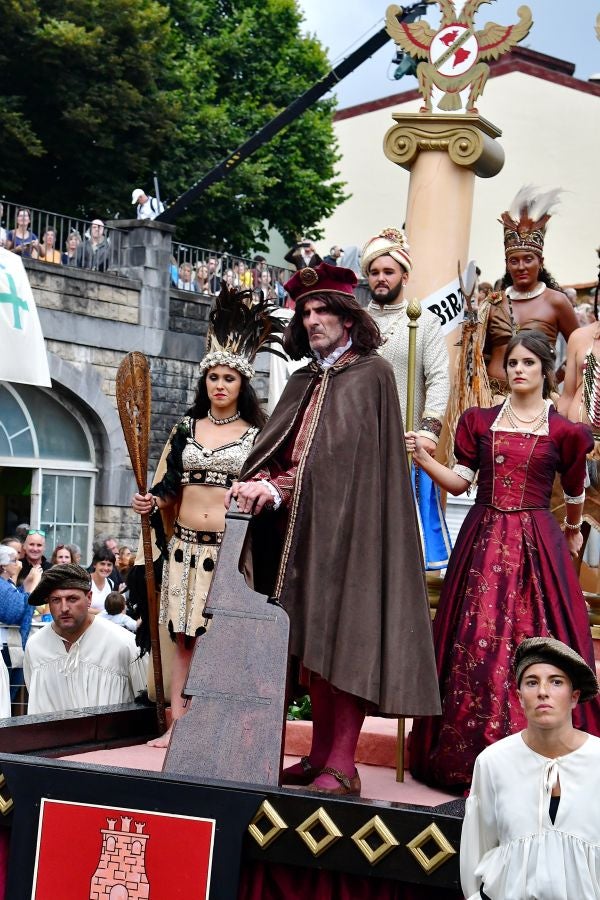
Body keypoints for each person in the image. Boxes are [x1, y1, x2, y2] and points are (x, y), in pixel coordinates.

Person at [229, 262, 440, 796]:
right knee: (306, 642)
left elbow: (346, 461)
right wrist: (262, 481)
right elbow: (282, 449)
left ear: (348, 318)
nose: (312, 320)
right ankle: (319, 755)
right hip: (297, 535)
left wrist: (280, 486)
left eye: (323, 310)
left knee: (345, 638)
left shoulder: (373, 375)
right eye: (305, 312)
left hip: (352, 535)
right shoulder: (303, 379)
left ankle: (343, 765)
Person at [406, 330, 600, 789]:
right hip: (483, 539)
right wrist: (423, 459)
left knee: (541, 635)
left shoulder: (565, 431)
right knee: (473, 637)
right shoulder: (479, 421)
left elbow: (576, 490)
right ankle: (466, 756)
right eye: (512, 362)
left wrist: (572, 529)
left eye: (528, 363)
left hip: (538, 545)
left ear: (545, 370)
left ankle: (546, 757)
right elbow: (459, 482)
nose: (518, 370)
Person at [131, 285, 279, 747]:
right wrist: (153, 503)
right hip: (184, 549)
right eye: (213, 377)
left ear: (242, 384)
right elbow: (169, 487)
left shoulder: (258, 434)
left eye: (228, 378)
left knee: (226, 640)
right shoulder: (185, 428)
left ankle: (218, 726)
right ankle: (177, 725)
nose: (219, 385)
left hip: (231, 552)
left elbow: (267, 488)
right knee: (184, 639)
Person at [461, 637, 600, 900]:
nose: (543, 692)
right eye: (532, 682)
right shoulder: (494, 762)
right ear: (519, 697)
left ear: (574, 697)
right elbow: (478, 843)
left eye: (556, 682)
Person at [362, 227, 451, 568]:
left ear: (405, 275)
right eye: (374, 272)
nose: (381, 278)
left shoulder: (425, 322)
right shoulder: (356, 322)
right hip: (361, 441)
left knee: (405, 538)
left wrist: (427, 432)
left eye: (388, 271)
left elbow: (439, 378)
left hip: (406, 440)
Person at [473, 187, 578, 402]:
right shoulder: (494, 303)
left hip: (538, 400)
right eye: (514, 261)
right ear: (507, 265)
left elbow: (580, 349)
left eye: (528, 259)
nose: (521, 266)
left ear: (541, 262)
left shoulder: (556, 301)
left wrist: (555, 379)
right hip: (492, 400)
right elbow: (480, 354)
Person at [24, 564, 144, 715]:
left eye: (72, 599)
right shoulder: (35, 646)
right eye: (56, 600)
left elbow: (145, 703)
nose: (64, 608)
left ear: (89, 598)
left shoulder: (124, 644)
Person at [0, 544, 39, 703]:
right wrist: (33, 587)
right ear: (3, 566)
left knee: (9, 695)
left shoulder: (7, 583)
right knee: (5, 695)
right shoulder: (1, 585)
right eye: (14, 560)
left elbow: (18, 602)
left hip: (10, 644)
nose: (18, 564)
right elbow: (14, 614)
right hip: (4, 647)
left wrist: (27, 585)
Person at [89, 548, 118, 614]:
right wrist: (105, 613)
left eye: (109, 565)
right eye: (102, 564)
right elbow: (81, 608)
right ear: (94, 564)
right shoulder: (85, 581)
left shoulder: (110, 583)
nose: (106, 568)